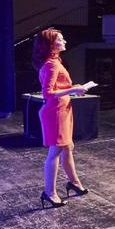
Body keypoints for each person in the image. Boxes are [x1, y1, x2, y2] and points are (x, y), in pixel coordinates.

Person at [33, 28, 88, 209]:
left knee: (67, 148)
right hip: (55, 112)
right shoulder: (52, 64)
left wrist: (73, 88)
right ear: (51, 44)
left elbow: (58, 87)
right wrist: (73, 90)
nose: (64, 41)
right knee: (55, 152)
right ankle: (49, 193)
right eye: (60, 39)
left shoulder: (55, 62)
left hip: (62, 110)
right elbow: (48, 93)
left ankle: (75, 183)